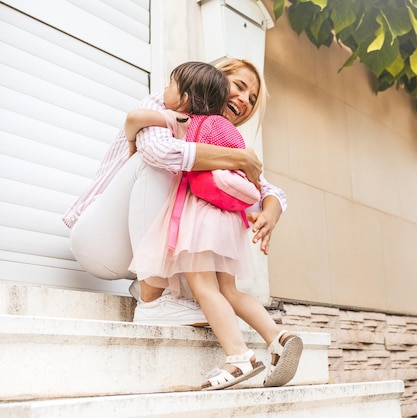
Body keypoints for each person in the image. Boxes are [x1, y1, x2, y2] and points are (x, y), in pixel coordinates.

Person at [63, 60, 302, 388]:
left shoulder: (221, 135)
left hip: (158, 248)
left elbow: (267, 189)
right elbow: (157, 150)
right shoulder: (165, 105)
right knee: (157, 167)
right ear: (213, 83)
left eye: (252, 96)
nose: (245, 99)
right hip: (101, 239)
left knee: (217, 288)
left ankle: (262, 344)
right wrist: (237, 159)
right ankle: (153, 302)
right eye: (239, 86)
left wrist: (270, 212)